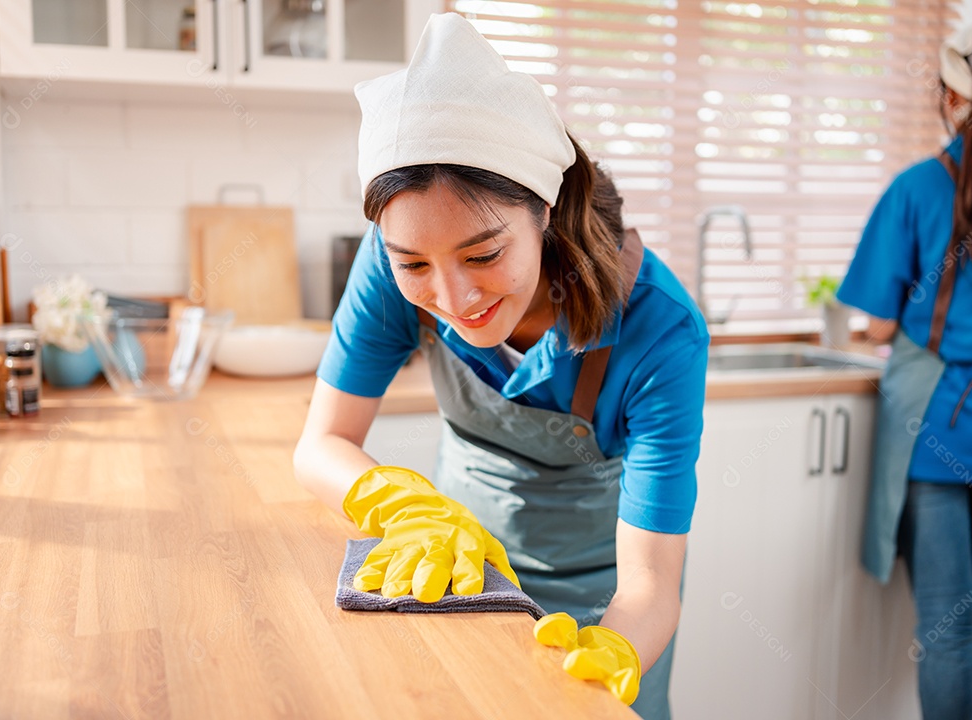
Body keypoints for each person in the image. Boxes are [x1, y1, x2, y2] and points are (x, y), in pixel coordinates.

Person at [293, 13, 707, 720]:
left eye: (484, 255)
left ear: (544, 209)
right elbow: (321, 444)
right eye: (414, 263)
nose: (453, 299)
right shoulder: (390, 264)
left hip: (605, 604)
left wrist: (612, 655)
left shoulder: (660, 330)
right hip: (455, 577)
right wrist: (411, 511)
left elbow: (651, 582)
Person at [838, 17, 972, 720]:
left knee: (948, 633)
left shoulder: (921, 187)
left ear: (959, 99)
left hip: (938, 424)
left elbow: (879, 323)